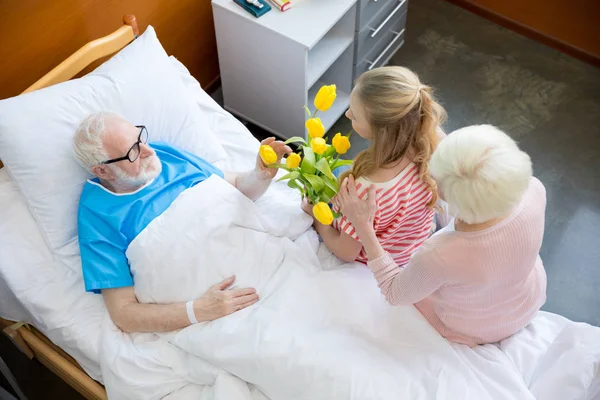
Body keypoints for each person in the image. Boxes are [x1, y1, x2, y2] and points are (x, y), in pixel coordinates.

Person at [72, 112, 292, 333]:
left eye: (140, 138)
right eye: (133, 152)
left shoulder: (166, 155)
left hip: (264, 259)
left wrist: (261, 175)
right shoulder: (97, 215)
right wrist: (199, 310)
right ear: (102, 170)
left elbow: (233, 187)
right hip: (215, 307)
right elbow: (124, 313)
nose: (148, 151)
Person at [335, 124, 547, 346]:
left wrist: (364, 227)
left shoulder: (440, 255)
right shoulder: (534, 189)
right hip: (526, 300)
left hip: (473, 328)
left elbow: (395, 293)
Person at [303, 66, 446, 265]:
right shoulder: (433, 141)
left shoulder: (365, 189)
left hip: (375, 257)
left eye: (354, 115)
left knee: (329, 176)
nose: (347, 114)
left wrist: (318, 220)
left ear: (382, 131)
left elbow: (347, 252)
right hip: (408, 245)